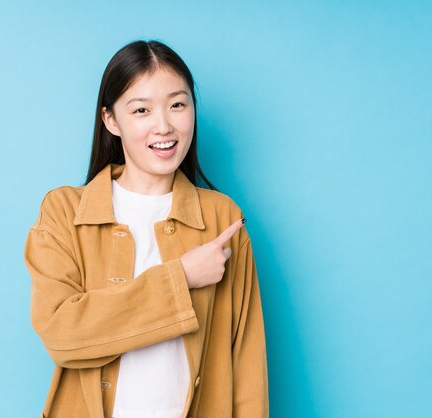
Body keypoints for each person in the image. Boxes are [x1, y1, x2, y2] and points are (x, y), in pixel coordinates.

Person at [23, 39, 269, 418]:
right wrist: (181, 277)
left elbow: (247, 363)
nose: (164, 126)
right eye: (141, 109)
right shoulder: (64, 212)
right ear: (110, 120)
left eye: (177, 104)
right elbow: (63, 335)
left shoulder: (222, 218)